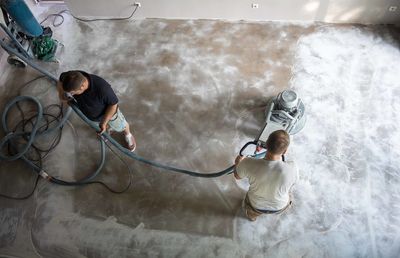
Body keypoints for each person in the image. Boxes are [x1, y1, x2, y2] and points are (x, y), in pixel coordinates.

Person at [57, 70, 136, 151]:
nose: (71, 94)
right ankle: (106, 129)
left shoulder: (103, 88)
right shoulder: (71, 76)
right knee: (103, 127)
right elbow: (61, 78)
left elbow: (113, 105)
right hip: (94, 116)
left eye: (73, 92)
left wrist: (104, 122)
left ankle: (128, 134)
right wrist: (61, 94)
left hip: (110, 114)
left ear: (82, 86)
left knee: (122, 125)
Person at [234, 130, 298, 221]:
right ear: (285, 151)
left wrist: (238, 162)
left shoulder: (248, 163)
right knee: (288, 192)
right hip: (280, 206)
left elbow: (237, 176)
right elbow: (293, 183)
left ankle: (252, 217)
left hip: (256, 205)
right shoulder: (292, 167)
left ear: (267, 143)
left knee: (252, 212)